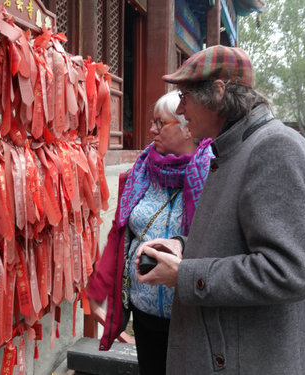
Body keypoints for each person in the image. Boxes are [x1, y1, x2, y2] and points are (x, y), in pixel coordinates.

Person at [135, 45, 305, 375]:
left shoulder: (273, 147)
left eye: (185, 96)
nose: (181, 109)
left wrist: (185, 275)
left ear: (218, 92)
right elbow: (234, 235)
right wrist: (182, 245)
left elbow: (288, 271)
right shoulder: (232, 149)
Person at [88, 90, 214, 375]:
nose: (151, 129)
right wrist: (99, 289)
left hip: (191, 315)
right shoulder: (141, 172)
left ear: (187, 127)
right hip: (144, 314)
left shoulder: (213, 173)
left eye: (160, 123)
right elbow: (119, 235)